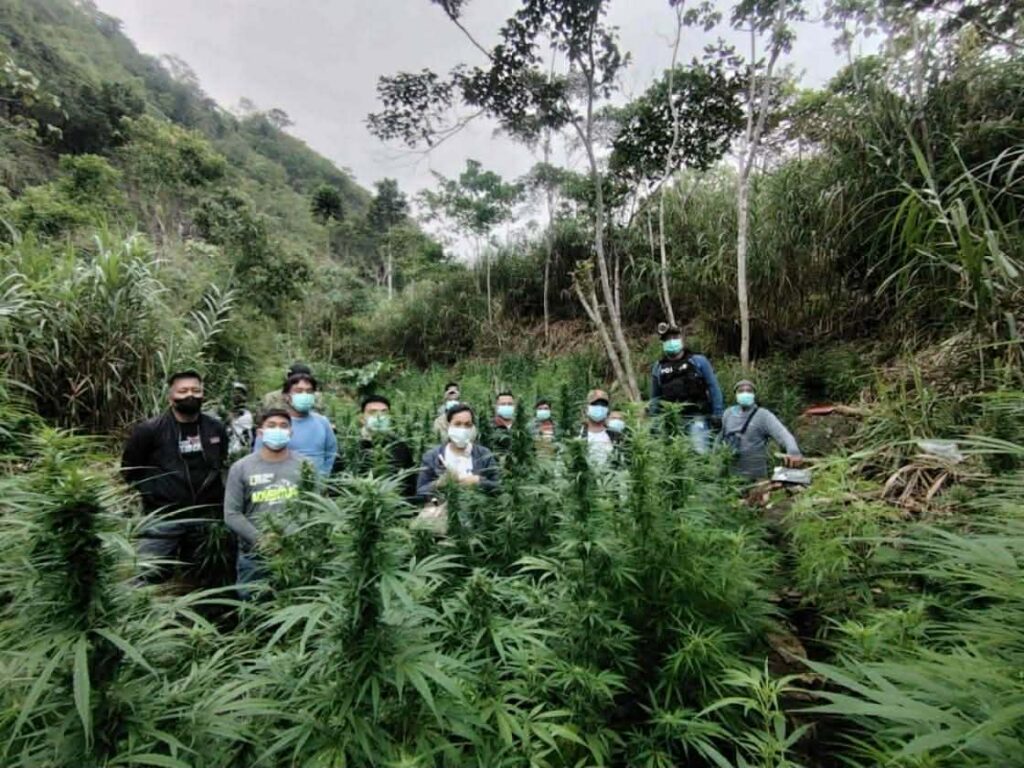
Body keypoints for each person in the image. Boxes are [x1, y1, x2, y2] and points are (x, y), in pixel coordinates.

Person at [121, 370, 229, 583]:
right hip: (163, 517)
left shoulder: (215, 428)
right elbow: (130, 470)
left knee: (202, 578)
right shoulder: (150, 430)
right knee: (148, 576)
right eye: (183, 391)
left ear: (203, 394)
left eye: (196, 390)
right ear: (170, 397)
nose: (190, 395)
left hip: (205, 517)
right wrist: (154, 494)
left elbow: (221, 462)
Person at [224, 409, 311, 595]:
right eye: (271, 426)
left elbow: (314, 506)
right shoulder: (241, 468)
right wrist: (262, 541)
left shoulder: (305, 466)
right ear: (260, 432)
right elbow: (232, 514)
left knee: (294, 603)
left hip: (295, 552)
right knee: (253, 606)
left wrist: (292, 538)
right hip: (254, 556)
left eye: (283, 426)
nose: (277, 430)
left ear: (291, 433)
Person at [649, 324, 724, 454]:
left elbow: (713, 387)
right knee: (674, 456)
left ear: (681, 339)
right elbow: (655, 397)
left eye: (675, 337)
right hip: (672, 420)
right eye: (667, 339)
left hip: (697, 416)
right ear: (663, 343)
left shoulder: (698, 361)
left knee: (699, 452)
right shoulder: (659, 367)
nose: (671, 341)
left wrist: (718, 413)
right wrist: (654, 422)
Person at [254, 372, 336, 476]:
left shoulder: (322, 422)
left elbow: (331, 452)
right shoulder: (276, 424)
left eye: (309, 391)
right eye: (298, 391)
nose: (304, 395)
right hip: (282, 482)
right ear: (286, 397)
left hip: (316, 483)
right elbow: (258, 455)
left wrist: (324, 475)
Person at [722, 380, 803, 481]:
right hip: (731, 477)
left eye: (749, 391)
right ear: (735, 394)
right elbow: (720, 438)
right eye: (741, 391)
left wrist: (793, 451)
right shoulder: (728, 414)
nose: (745, 393)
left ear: (754, 395)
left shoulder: (763, 415)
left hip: (756, 475)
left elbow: (782, 434)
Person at [417, 404, 500, 500]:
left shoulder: (484, 454)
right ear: (448, 425)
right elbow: (420, 491)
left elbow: (499, 487)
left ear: (473, 428)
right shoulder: (432, 456)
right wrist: (440, 483)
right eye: (457, 424)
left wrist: (479, 481)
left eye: (467, 425)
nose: (462, 429)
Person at [355, 394, 416, 499]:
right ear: (362, 418)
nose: (379, 417)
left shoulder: (399, 445)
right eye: (372, 412)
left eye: (384, 412)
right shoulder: (352, 444)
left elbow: (410, 481)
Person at [578, 388, 621, 465]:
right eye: (595, 404)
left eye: (603, 405)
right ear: (587, 408)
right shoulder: (578, 433)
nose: (600, 407)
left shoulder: (614, 435)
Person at [226, 381, 254, 456]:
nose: (236, 395)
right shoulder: (224, 411)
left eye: (239, 393)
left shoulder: (247, 414)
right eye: (234, 393)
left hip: (240, 450)